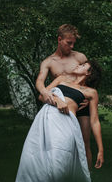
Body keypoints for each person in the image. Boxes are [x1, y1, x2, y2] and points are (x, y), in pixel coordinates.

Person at [36, 24, 93, 169]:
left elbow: (91, 77)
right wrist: (44, 92)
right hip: (62, 105)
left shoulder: (80, 57)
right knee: (63, 144)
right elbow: (40, 81)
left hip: (81, 105)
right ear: (59, 39)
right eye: (69, 43)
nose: (72, 46)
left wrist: (89, 99)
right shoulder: (48, 62)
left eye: (74, 43)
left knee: (85, 143)